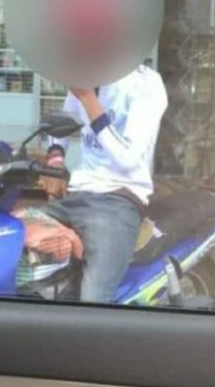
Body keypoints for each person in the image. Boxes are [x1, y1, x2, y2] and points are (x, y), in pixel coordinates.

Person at [42, 64, 168, 302]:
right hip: (77, 195)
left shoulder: (146, 84)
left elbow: (127, 159)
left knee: (94, 298)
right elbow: (62, 123)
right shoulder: (86, 75)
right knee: (21, 249)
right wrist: (56, 157)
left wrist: (89, 99)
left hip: (118, 201)